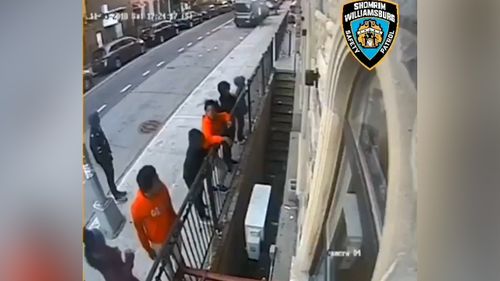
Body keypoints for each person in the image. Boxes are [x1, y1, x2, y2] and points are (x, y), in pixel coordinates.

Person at [131, 165, 177, 260]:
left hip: (172, 232)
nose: (160, 181)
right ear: (149, 189)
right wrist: (148, 249)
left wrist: (176, 220)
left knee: (179, 258)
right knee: (166, 265)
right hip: (158, 243)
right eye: (156, 180)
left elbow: (169, 206)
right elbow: (140, 232)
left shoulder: (162, 189)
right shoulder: (137, 207)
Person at [88, 111, 127, 202]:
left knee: (111, 175)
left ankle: (116, 191)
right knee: (109, 176)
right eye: (97, 118)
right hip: (104, 160)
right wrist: (106, 158)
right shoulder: (94, 133)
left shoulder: (97, 128)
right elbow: (98, 150)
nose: (99, 119)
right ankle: (116, 195)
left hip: (107, 156)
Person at [183, 129, 210, 221]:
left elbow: (205, 151)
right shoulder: (194, 154)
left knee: (201, 190)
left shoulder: (196, 148)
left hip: (196, 175)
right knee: (197, 195)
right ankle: (202, 215)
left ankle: (201, 204)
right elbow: (197, 168)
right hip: (191, 177)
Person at [202, 99, 236, 172]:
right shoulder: (206, 122)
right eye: (209, 110)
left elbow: (225, 115)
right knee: (213, 161)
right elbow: (209, 138)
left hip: (218, 139)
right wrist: (223, 138)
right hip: (209, 146)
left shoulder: (217, 116)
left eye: (213, 110)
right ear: (206, 112)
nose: (211, 112)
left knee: (227, 144)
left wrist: (228, 121)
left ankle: (228, 160)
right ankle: (226, 171)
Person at [233, 76, 248, 143]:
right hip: (238, 111)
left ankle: (240, 136)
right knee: (240, 124)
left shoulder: (240, 89)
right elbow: (239, 102)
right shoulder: (240, 90)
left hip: (239, 110)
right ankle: (240, 138)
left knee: (241, 124)